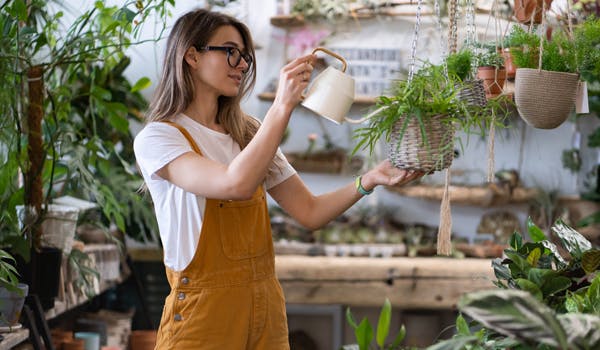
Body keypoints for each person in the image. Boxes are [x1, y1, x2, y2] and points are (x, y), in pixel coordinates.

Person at [134, 8, 423, 350]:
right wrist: (282, 106)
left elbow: (309, 211)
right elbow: (234, 184)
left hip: (265, 309)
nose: (241, 64)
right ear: (192, 56)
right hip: (204, 315)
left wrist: (369, 180)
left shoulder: (248, 133)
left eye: (244, 57)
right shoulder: (161, 138)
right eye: (230, 52)